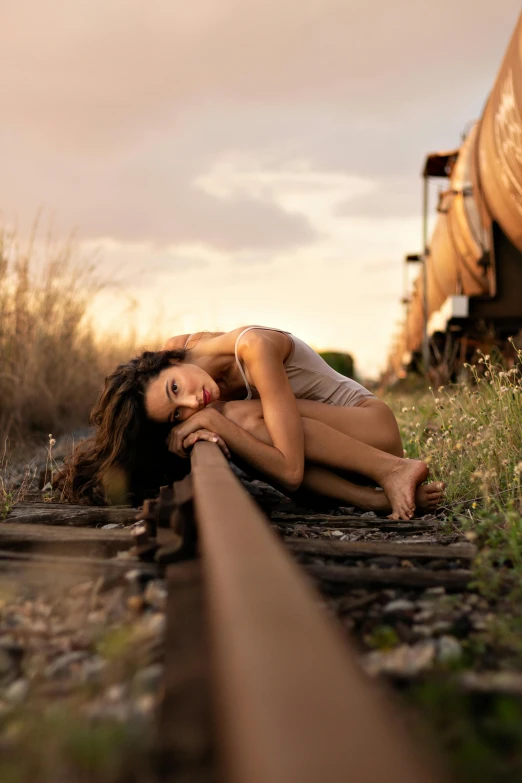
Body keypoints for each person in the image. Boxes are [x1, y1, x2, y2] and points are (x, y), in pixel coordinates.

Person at [63, 326, 444, 518]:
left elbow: (290, 472)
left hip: (372, 429)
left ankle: (394, 469)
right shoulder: (181, 354)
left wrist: (216, 422)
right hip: (336, 453)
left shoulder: (254, 347)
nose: (192, 401)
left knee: (237, 419)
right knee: (243, 433)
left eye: (175, 388)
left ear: (170, 362)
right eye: (177, 412)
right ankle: (375, 498)